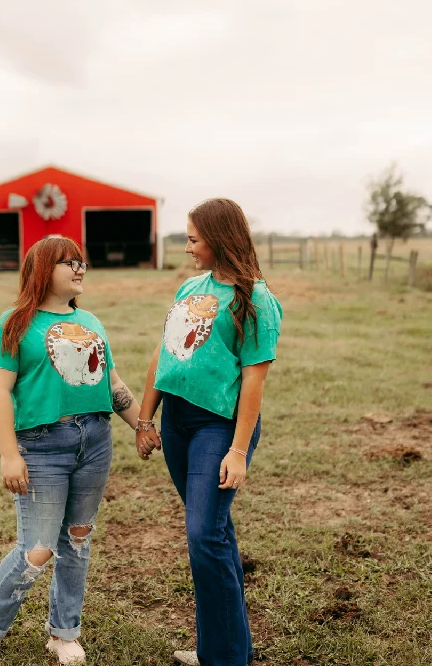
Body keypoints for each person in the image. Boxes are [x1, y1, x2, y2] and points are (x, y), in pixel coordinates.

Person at [0, 237, 140, 665]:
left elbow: (112, 385)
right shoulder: (13, 324)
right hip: (42, 447)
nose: (79, 269)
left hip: (95, 441)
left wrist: (143, 426)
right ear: (43, 269)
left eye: (81, 262)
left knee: (77, 540)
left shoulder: (92, 322)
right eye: (68, 263)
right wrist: (9, 454)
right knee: (37, 548)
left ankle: (64, 633)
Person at [136, 199, 283, 666]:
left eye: (194, 239)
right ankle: (226, 650)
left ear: (219, 239)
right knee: (214, 532)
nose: (187, 247)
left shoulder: (255, 298)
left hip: (218, 427)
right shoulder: (189, 288)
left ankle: (225, 658)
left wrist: (238, 450)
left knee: (203, 536)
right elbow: (165, 357)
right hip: (177, 423)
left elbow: (255, 379)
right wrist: (145, 419)